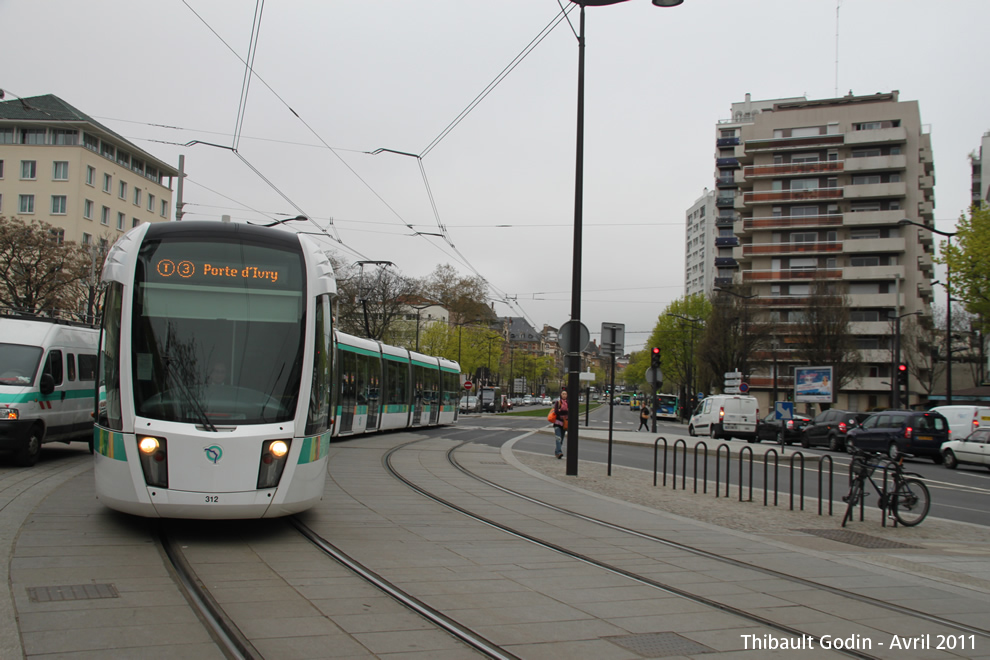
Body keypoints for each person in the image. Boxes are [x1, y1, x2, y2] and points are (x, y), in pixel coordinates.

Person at [552, 389, 568, 459]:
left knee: (561, 439)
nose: (564, 395)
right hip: (557, 423)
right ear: (561, 395)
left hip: (564, 424)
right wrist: (564, 411)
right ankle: (559, 452)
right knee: (558, 438)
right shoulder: (558, 403)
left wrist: (561, 411)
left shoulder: (568, 403)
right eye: (563, 394)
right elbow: (556, 411)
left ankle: (557, 451)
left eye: (565, 394)